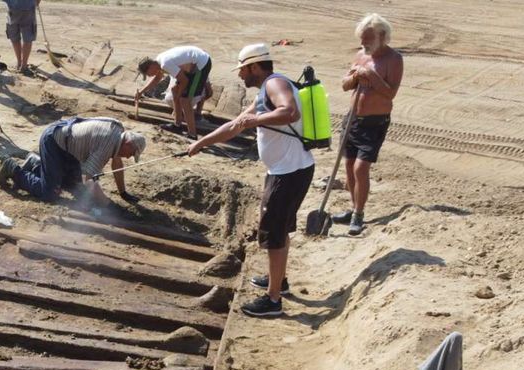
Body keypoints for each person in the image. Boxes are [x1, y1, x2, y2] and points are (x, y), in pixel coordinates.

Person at [186, 44, 314, 318]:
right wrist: (203, 142)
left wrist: (256, 120)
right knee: (279, 230)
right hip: (286, 171)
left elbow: (290, 112)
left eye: (242, 70)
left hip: (289, 173)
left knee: (274, 235)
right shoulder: (266, 89)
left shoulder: (275, 84)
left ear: (254, 67)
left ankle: (273, 301)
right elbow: (236, 125)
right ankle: (278, 280)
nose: (240, 76)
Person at [334, 13, 403, 236]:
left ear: (382, 36)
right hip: (353, 119)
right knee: (348, 167)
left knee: (360, 168)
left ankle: (359, 214)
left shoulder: (394, 60)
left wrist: (371, 76)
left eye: (368, 40)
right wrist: (355, 77)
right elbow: (345, 85)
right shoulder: (360, 55)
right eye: (362, 40)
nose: (363, 44)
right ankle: (353, 208)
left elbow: (390, 93)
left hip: (374, 122)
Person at [0, 117, 145, 204]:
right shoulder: (107, 145)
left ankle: (36, 163)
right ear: (128, 144)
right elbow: (89, 179)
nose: (129, 157)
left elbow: (117, 163)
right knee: (49, 193)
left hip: (69, 144)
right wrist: (106, 203)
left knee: (71, 185)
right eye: (131, 153)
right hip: (54, 142)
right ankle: (12, 168)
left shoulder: (119, 132)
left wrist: (123, 193)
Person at [136, 45, 213, 139]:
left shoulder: (165, 64)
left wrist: (179, 94)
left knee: (184, 100)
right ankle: (177, 125)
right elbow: (157, 78)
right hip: (192, 64)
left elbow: (184, 80)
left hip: (201, 65)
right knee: (174, 90)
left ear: (151, 67)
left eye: (148, 74)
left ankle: (192, 134)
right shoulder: (159, 60)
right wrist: (141, 92)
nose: (149, 76)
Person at [4, 0, 38, 75]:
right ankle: (23, 65)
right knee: (27, 37)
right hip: (27, 7)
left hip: (13, 8)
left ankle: (19, 63)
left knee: (15, 36)